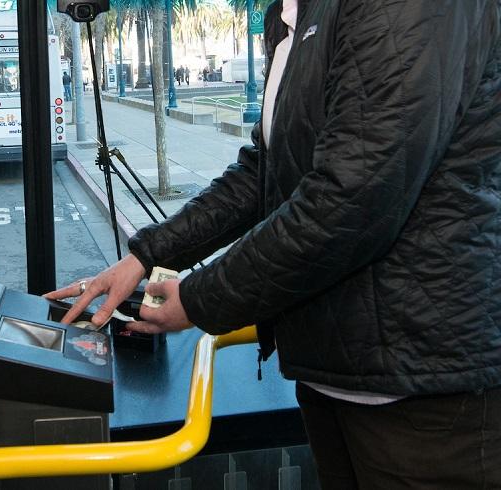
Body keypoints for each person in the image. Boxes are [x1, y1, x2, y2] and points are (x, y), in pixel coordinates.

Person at [46, 1, 501, 488]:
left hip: (425, 387)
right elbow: (263, 173)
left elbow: (350, 201)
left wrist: (200, 299)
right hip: (337, 371)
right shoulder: (292, 16)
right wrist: (146, 255)